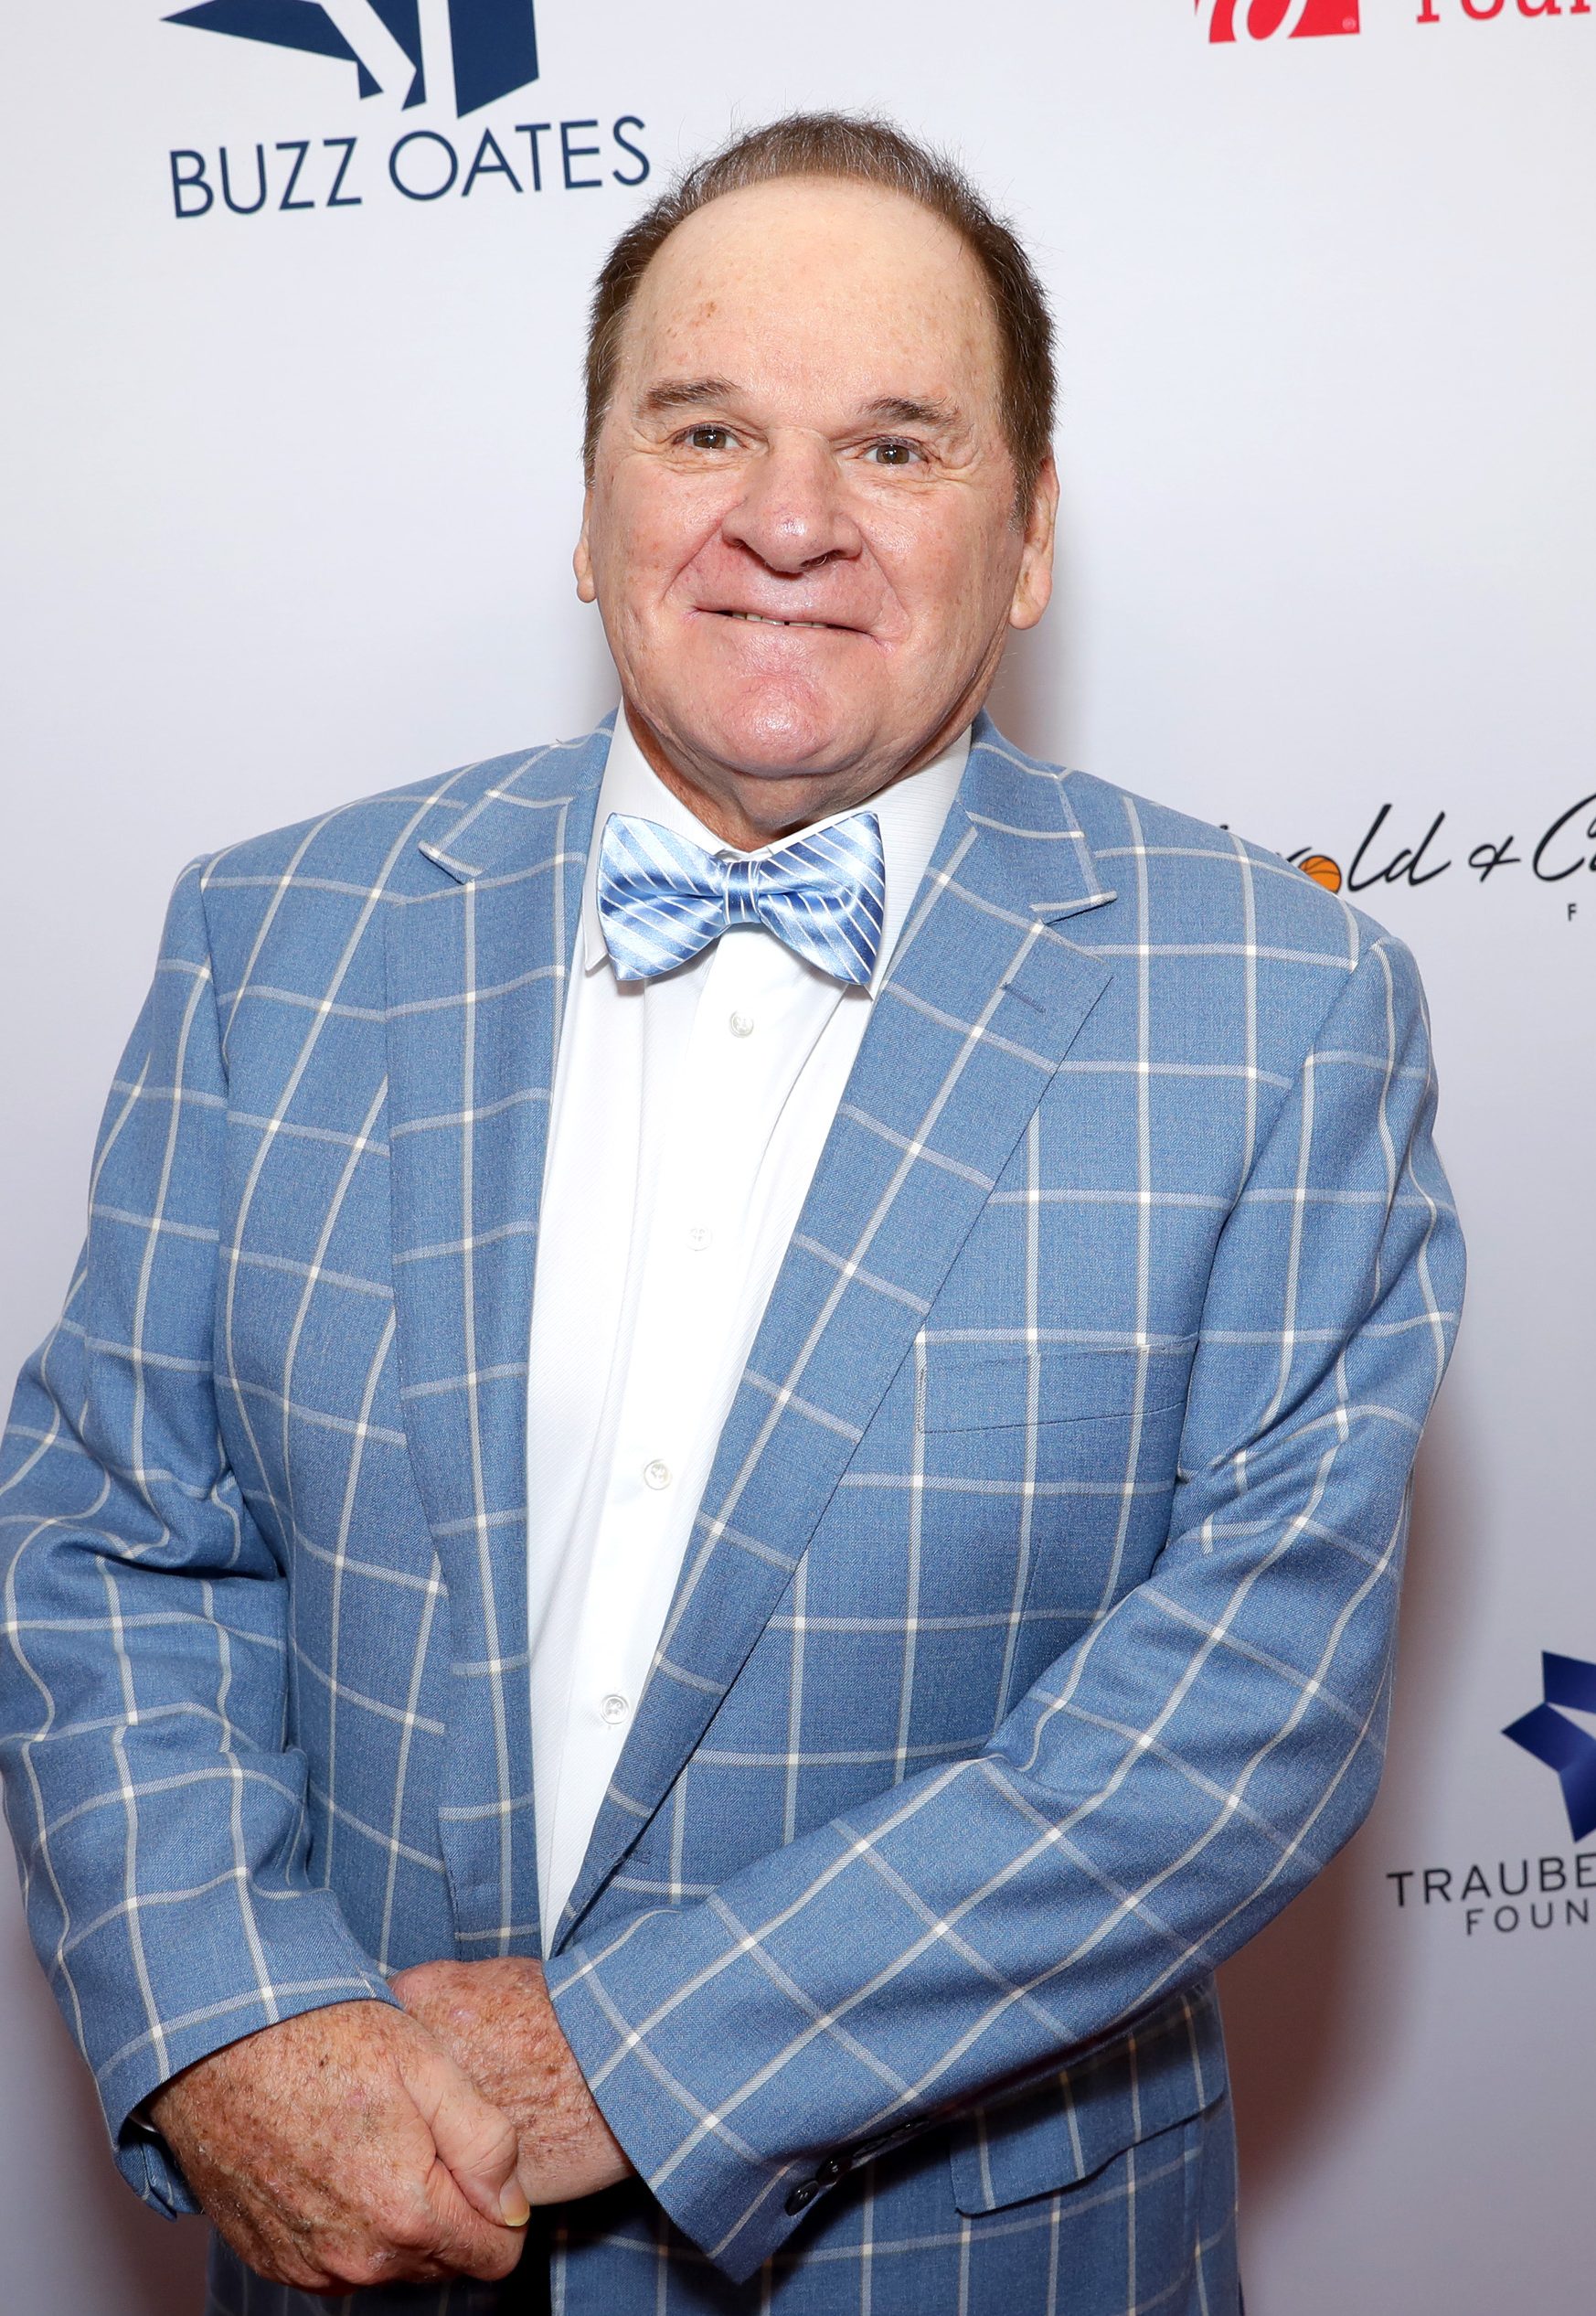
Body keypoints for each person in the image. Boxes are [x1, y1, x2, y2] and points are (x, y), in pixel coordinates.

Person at [0, 112, 1463, 2316]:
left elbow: (1248, 1697)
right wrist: (223, 2007)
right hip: (372, 2252)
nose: (789, 521)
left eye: (897, 446)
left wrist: (634, 2050)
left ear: (1032, 535)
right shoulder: (273, 934)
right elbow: (112, 1535)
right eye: (707, 428)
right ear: (590, 503)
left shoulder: (1279, 999)